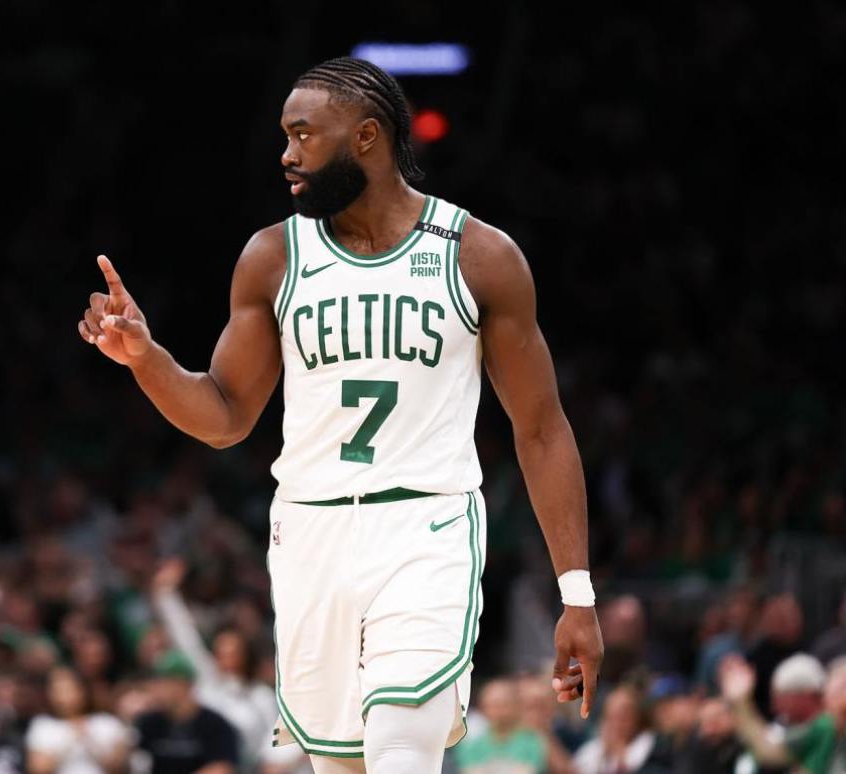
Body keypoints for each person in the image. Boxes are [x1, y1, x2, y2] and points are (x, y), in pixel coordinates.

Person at [78, 55, 603, 773]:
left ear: (365, 138)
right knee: (342, 765)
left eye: (303, 135)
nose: (286, 155)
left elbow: (542, 429)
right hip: (310, 530)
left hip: (428, 524)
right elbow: (225, 416)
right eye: (285, 136)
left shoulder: (478, 256)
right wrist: (146, 359)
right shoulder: (273, 258)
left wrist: (577, 593)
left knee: (400, 748)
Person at [151, 557, 277, 769]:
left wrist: (270, 763)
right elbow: (185, 637)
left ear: (245, 656)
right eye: (221, 652)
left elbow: (275, 738)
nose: (226, 659)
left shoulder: (260, 695)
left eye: (234, 653)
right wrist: (166, 594)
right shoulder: (208, 680)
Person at [720, 654, 846, 773]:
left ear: (804, 696)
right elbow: (769, 751)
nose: (775, 707)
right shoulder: (826, 728)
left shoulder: (826, 725)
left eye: (838, 690)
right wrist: (741, 703)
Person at [132, 650, 239, 774]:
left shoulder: (215, 725)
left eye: (165, 682)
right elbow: (128, 761)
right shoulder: (149, 722)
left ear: (185, 684)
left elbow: (223, 768)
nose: (157, 689)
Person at [24, 666, 131, 774]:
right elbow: (38, 769)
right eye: (58, 690)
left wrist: (90, 742)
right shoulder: (43, 725)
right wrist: (70, 739)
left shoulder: (108, 722)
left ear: (83, 690)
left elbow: (119, 766)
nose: (64, 696)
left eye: (70, 689)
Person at [454, 678, 548, 774]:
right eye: (492, 706)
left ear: (515, 706)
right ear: (482, 708)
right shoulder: (471, 741)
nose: (498, 711)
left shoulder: (531, 739)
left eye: (503, 705)